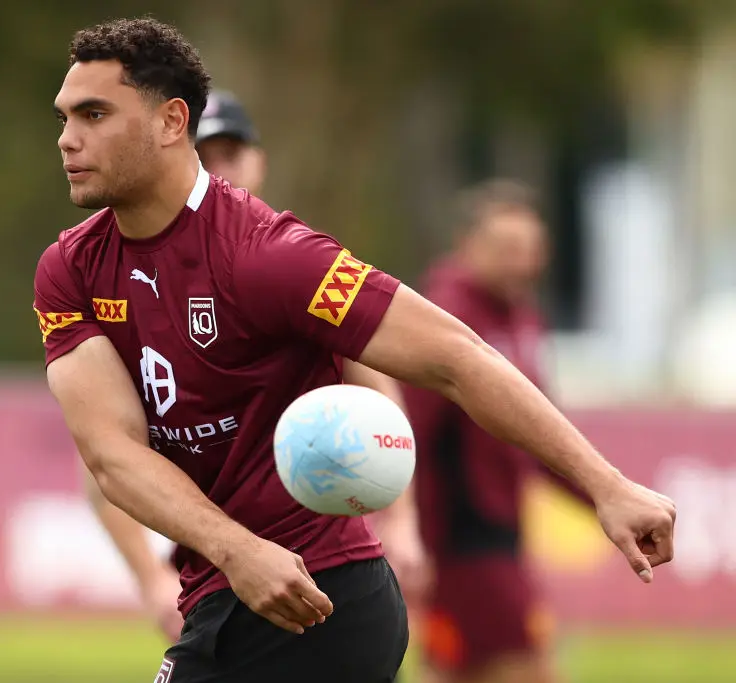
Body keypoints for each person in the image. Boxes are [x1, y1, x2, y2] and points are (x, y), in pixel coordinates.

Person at [34, 17, 676, 683]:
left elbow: (456, 357)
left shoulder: (268, 256)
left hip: (327, 598)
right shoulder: (70, 269)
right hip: (228, 588)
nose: (67, 138)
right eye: (65, 117)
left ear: (171, 122)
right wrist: (233, 550)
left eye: (94, 114)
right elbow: (112, 455)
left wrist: (607, 484)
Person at [79, 88, 428, 646]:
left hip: (328, 568)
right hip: (215, 579)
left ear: (259, 161)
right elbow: (107, 459)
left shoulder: (291, 263)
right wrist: (150, 579)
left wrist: (403, 521)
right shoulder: (115, 279)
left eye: (232, 153)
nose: (220, 169)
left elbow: (377, 398)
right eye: (206, 153)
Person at [407, 181, 592, 683]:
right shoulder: (443, 318)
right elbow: (408, 433)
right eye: (506, 250)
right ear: (467, 247)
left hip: (500, 532)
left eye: (531, 250)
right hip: (461, 537)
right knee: (529, 667)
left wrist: (602, 496)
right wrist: (405, 533)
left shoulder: (525, 318)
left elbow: (541, 432)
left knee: (460, 669)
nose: (521, 263)